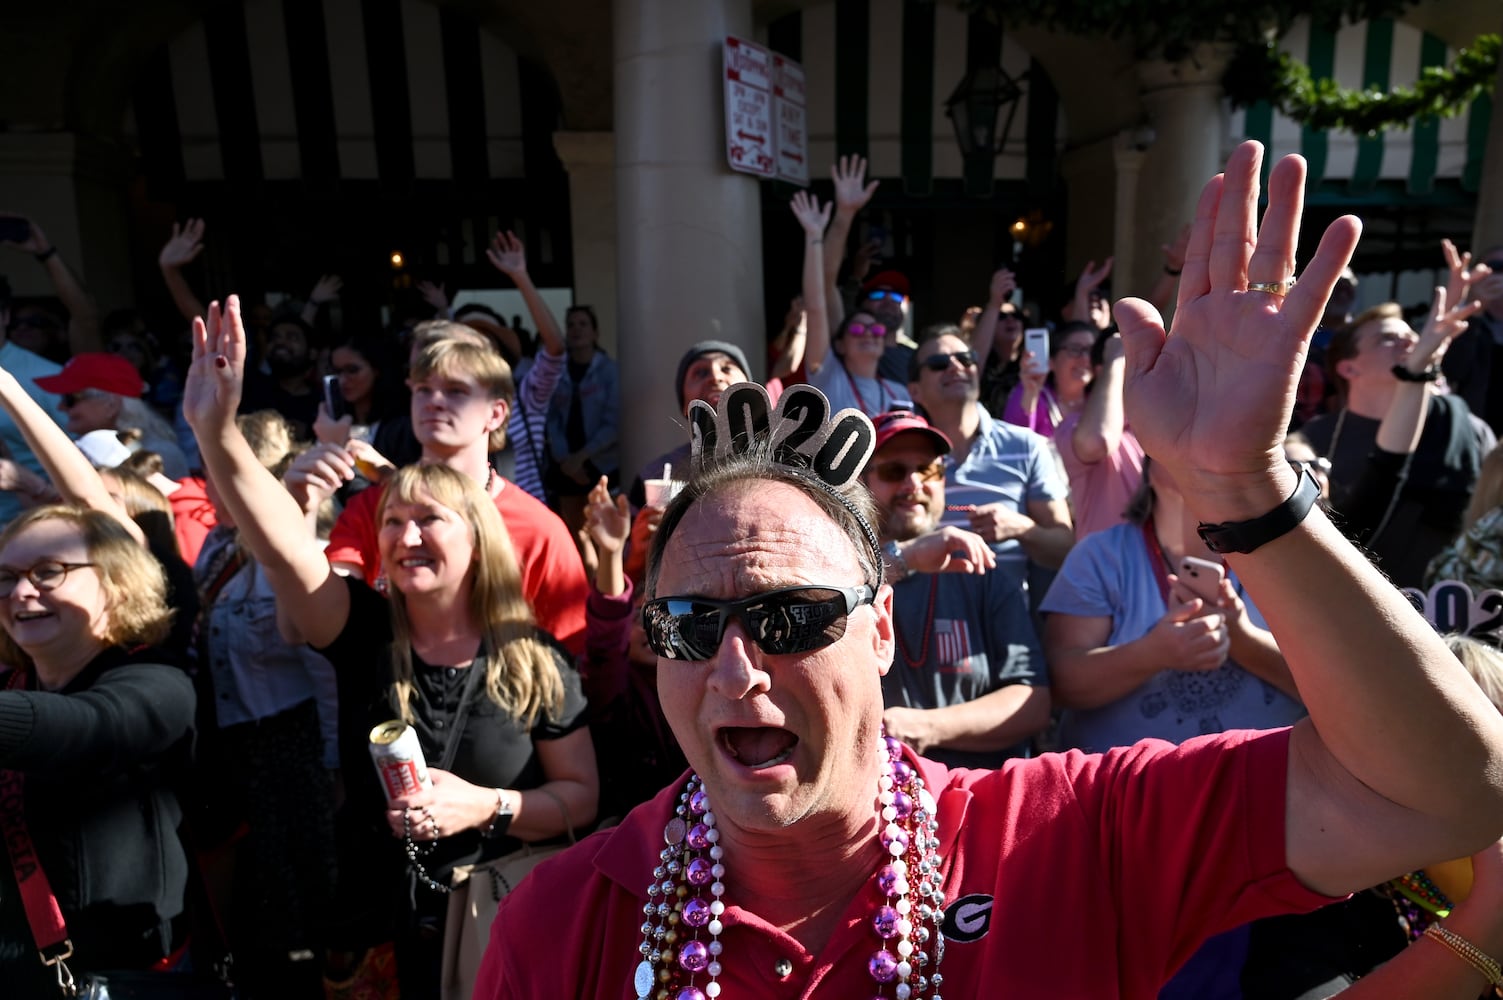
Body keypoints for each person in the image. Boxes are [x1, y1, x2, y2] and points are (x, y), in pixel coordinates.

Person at [474, 142, 1503, 999]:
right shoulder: (563, 925)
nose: (736, 671)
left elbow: (1452, 790)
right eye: (692, 625)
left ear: (880, 627)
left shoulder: (1068, 839)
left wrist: (1250, 493)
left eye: (789, 617)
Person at [182, 296, 599, 998]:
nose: (404, 538)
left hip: (502, 921)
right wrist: (215, 431)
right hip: (372, 920)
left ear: (480, 538)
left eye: (428, 520)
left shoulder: (535, 660)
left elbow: (582, 799)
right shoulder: (362, 634)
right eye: (393, 521)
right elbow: (285, 555)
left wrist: (487, 805)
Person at [0, 504, 196, 994]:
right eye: (5, 577)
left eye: (49, 572)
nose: (21, 592)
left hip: (128, 979)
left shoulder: (159, 681)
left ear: (119, 583)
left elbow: (89, 728)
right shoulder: (13, 686)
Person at [306, 334, 590, 654]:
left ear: (495, 413)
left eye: (456, 391)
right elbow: (325, 614)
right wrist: (303, 511)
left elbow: (572, 655)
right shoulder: (372, 507)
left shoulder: (539, 528)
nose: (434, 400)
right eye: (423, 389)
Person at [862, 408, 1049, 767]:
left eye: (928, 470)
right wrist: (907, 558)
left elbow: (1033, 702)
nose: (913, 484)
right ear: (862, 484)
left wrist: (925, 727)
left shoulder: (978, 569)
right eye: (893, 471)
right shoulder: (841, 568)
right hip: (878, 800)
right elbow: (831, 594)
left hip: (979, 800)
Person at [1302, 301, 1494, 587]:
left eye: (1411, 334)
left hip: (1451, 606)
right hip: (1350, 599)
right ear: (1348, 368)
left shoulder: (1468, 428)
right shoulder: (1312, 440)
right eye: (1386, 338)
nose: (1409, 339)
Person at [907, 328, 1074, 595]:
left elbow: (1064, 548)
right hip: (923, 623)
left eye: (966, 358)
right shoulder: (900, 455)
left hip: (1003, 625)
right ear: (914, 390)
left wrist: (1022, 528)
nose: (956, 366)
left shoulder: (1026, 446)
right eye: (939, 363)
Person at [796, 191, 912, 418]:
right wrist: (815, 235)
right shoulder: (829, 373)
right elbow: (817, 304)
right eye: (858, 329)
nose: (868, 334)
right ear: (839, 345)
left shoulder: (901, 392)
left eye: (876, 330)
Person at [36, 351, 190, 479]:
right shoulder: (83, 450)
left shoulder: (161, 455)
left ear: (111, 405)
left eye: (70, 399)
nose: (61, 407)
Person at [1056, 331, 1146, 539]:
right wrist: (1115, 359)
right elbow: (1098, 439)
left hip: (1166, 566)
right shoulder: (1072, 426)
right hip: (1104, 568)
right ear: (1101, 371)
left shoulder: (1165, 426)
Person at [545, 304, 620, 536]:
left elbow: (613, 423)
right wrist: (567, 461)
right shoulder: (556, 371)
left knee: (601, 534)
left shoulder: (610, 371)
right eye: (571, 325)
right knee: (574, 534)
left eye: (583, 324)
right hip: (565, 467)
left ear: (595, 333)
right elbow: (551, 420)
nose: (576, 330)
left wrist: (582, 458)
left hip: (601, 464)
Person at [1001, 320, 1096, 438]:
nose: (1085, 358)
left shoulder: (1101, 398)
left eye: (1091, 351)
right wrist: (1030, 394)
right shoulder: (1029, 392)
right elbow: (1013, 442)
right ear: (1051, 361)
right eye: (1075, 349)